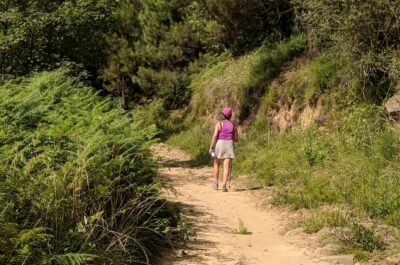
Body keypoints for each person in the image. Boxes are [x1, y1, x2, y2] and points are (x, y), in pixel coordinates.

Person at [209, 107, 238, 192]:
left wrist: (211, 147)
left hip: (220, 143)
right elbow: (236, 139)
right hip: (229, 144)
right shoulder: (233, 125)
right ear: (230, 115)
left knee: (216, 163)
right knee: (226, 166)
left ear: (223, 115)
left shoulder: (219, 123)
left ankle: (215, 183)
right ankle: (224, 186)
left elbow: (215, 136)